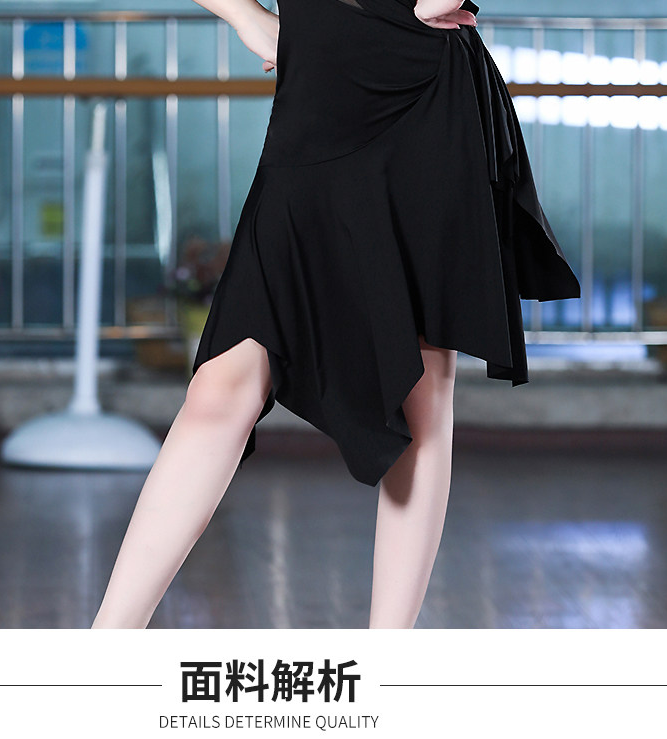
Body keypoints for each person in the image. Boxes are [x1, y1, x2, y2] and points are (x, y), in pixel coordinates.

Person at [92, 0, 581, 629]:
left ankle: (385, 665)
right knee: (221, 386)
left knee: (419, 390)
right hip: (318, 92)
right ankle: (106, 651)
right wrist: (246, 17)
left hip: (420, 94)